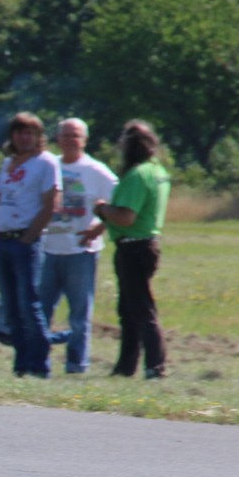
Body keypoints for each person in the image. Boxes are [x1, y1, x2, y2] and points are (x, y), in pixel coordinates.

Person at [94, 120, 171, 379]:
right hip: (147, 245)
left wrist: (102, 209)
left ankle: (155, 366)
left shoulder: (137, 175)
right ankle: (125, 367)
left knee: (140, 308)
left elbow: (126, 217)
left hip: (133, 247)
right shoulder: (158, 171)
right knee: (129, 310)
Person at [42, 117, 117, 374]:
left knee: (79, 315)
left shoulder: (96, 170)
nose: (70, 140)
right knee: (40, 311)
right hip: (47, 249)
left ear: (84, 140)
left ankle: (76, 364)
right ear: (57, 139)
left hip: (81, 252)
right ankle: (38, 362)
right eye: (65, 135)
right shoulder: (49, 165)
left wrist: (100, 227)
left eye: (75, 135)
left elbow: (121, 203)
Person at [0, 112, 62, 378]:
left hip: (25, 241)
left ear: (38, 136)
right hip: (4, 239)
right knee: (10, 307)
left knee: (29, 304)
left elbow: (50, 205)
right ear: (12, 136)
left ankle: (40, 364)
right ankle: (21, 364)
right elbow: (1, 199)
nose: (24, 138)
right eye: (20, 132)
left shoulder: (46, 162)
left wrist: (29, 237)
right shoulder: (7, 163)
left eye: (30, 133)